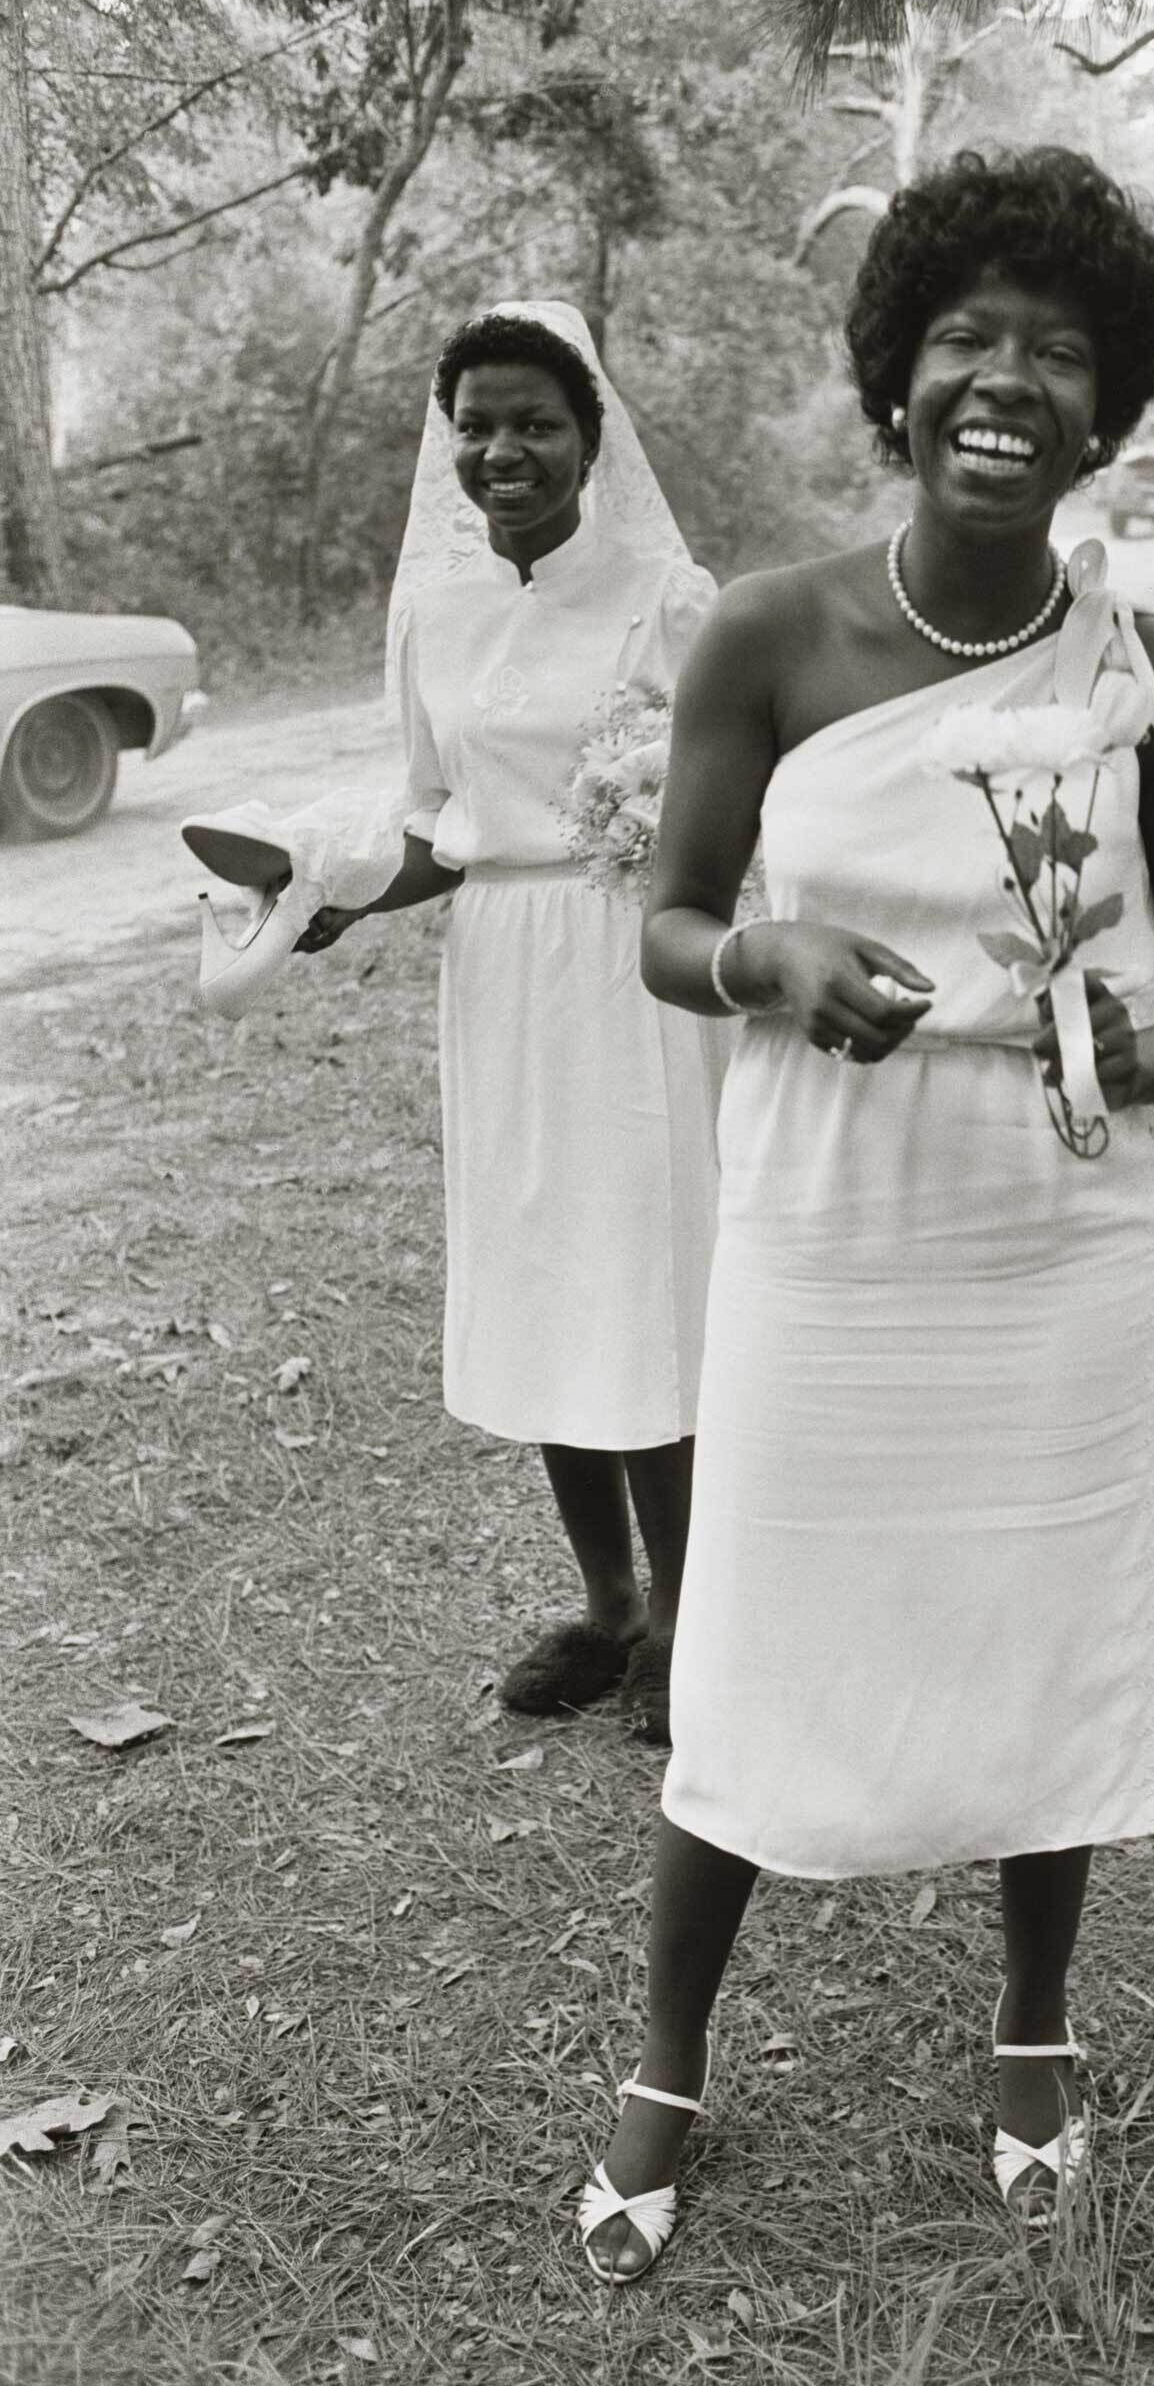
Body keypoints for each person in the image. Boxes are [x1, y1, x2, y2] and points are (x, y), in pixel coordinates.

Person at [574, 149, 1154, 2281]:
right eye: (964, 334)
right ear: (899, 376)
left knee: (1038, 1627)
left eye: (1057, 352)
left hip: (1053, 1233)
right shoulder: (769, 636)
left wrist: (1145, 1054)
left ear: (1106, 406)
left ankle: (1033, 2039)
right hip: (826, 1227)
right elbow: (671, 927)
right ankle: (669, 2064)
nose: (1006, 378)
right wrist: (765, 966)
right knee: (761, 1631)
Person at [184, 303, 726, 1745]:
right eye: (475, 424)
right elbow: (438, 824)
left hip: (632, 965)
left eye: (534, 422)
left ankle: (688, 1614)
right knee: (549, 1275)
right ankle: (607, 1606)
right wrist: (332, 897)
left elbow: (731, 802)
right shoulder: (431, 608)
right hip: (503, 976)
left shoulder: (668, 596)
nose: (502, 450)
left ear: (590, 438)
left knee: (647, 1285)